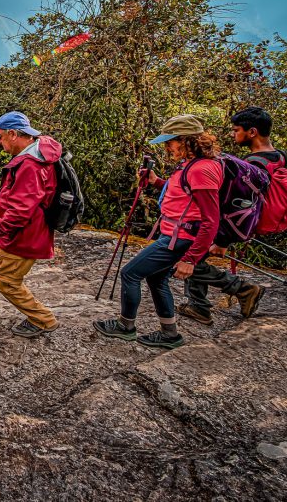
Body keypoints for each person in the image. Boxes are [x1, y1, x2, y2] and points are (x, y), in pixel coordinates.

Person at [93, 114, 223, 349]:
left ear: (186, 140)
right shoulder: (191, 166)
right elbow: (182, 193)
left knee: (130, 273)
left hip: (181, 239)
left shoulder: (201, 169)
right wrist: (155, 181)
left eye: (170, 141)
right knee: (156, 278)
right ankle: (169, 333)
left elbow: (211, 219)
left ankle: (126, 326)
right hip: (174, 235)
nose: (167, 147)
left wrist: (191, 259)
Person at [0, 112, 62, 338]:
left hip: (25, 235)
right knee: (0, 265)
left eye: (0, 137)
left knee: (5, 277)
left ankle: (43, 319)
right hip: (25, 232)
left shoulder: (30, 165)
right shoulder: (39, 153)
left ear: (13, 134)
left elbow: (20, 211)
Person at [177, 107, 271, 324]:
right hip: (240, 221)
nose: (233, 134)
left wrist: (222, 239)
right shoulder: (274, 158)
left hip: (227, 223)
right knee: (195, 257)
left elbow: (235, 199)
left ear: (252, 132)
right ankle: (198, 306)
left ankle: (243, 289)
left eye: (236, 130)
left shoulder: (256, 163)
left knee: (189, 260)